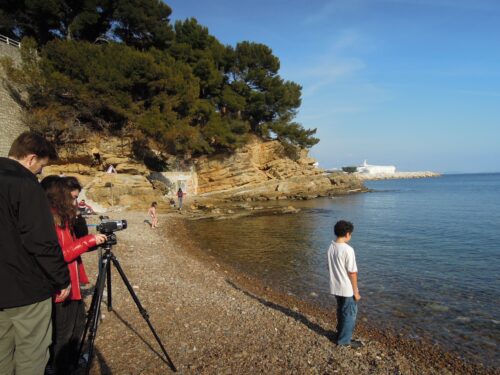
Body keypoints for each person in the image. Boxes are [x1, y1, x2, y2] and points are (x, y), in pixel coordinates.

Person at [0, 131, 70, 375]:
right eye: (41, 167)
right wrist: (61, 278)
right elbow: (40, 241)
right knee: (32, 354)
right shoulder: (25, 184)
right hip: (27, 288)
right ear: (31, 159)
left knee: (1, 355)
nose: (41, 173)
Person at [42, 176, 107, 374]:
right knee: (63, 332)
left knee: (77, 326)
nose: (74, 202)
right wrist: (88, 241)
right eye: (71, 198)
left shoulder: (63, 216)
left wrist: (86, 235)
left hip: (72, 283)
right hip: (63, 284)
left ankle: (69, 363)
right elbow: (60, 254)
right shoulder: (50, 218)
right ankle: (59, 367)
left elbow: (76, 241)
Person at [327, 220, 362, 348]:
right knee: (349, 314)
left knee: (341, 311)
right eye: (351, 234)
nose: (351, 236)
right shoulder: (348, 250)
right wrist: (356, 292)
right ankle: (344, 341)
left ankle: (340, 334)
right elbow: (352, 273)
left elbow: (330, 267)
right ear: (347, 234)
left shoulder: (331, 247)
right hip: (347, 289)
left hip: (335, 286)